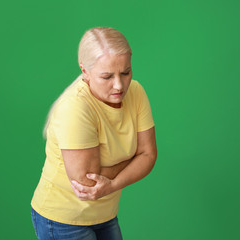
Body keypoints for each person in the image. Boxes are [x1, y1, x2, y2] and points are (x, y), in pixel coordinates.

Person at [30, 26, 157, 240]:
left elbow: (149, 156)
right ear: (85, 71)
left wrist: (114, 183)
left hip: (105, 212)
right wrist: (135, 159)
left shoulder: (136, 92)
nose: (119, 85)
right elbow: (87, 183)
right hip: (63, 219)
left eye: (125, 72)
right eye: (107, 76)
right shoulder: (75, 108)